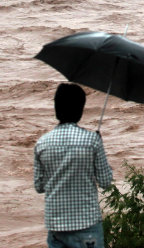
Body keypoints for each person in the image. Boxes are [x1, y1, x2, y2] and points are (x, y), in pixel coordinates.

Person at [34, 82, 113, 248]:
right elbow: (105, 181)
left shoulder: (42, 143)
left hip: (56, 226)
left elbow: (39, 186)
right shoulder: (92, 141)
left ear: (56, 108)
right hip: (87, 224)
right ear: (81, 110)